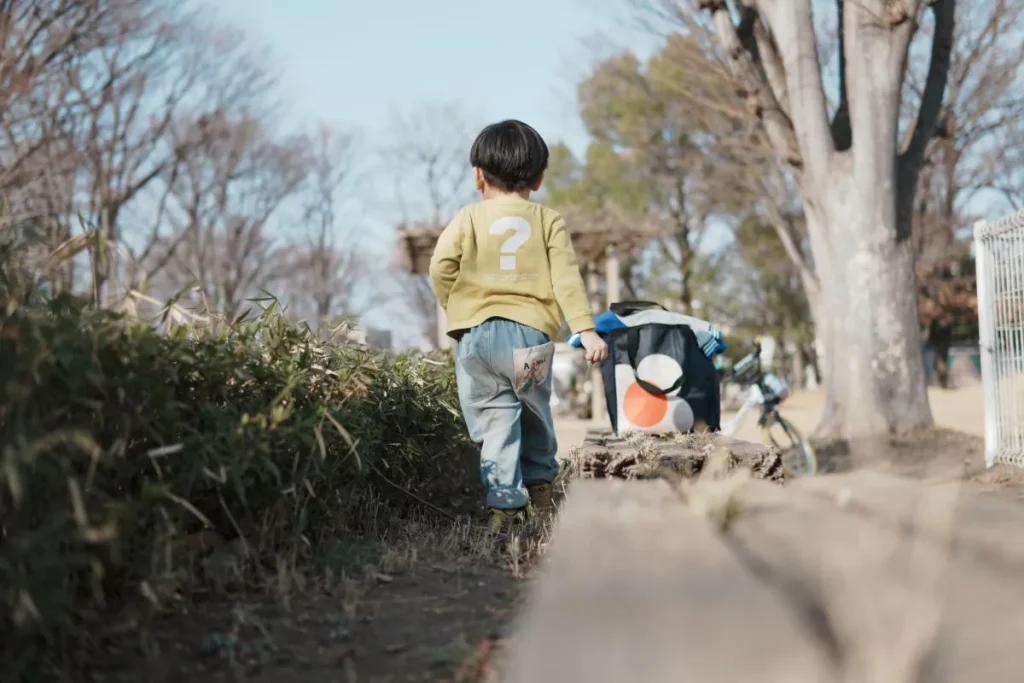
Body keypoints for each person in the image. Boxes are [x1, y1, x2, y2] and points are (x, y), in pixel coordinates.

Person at [429, 119, 608, 532]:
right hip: (529, 339)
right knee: (533, 410)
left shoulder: (467, 218)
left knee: (495, 419)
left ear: (478, 176)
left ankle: (505, 506)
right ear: (539, 179)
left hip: (476, 340)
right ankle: (542, 487)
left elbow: (441, 267)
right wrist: (585, 329)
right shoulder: (548, 221)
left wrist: (457, 306)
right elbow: (566, 280)